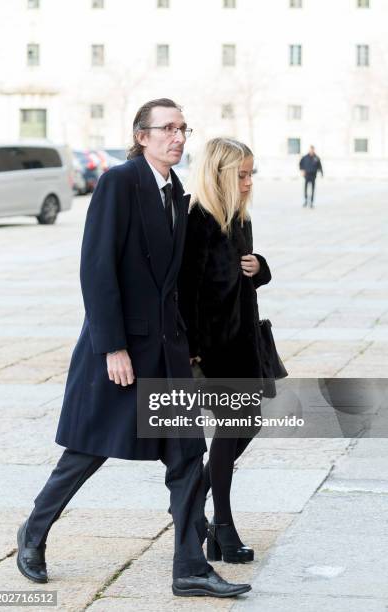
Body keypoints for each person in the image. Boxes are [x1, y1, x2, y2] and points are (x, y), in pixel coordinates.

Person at [16, 100, 251, 599]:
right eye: (167, 129)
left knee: (188, 456)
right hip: (122, 350)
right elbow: (96, 268)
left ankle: (189, 568)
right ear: (141, 136)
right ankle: (33, 532)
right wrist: (113, 348)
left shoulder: (175, 192)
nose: (178, 137)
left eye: (183, 128)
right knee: (88, 450)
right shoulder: (119, 182)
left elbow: (177, 282)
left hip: (167, 352)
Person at [179, 137, 271, 565]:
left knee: (246, 425)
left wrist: (260, 268)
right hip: (214, 348)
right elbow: (188, 290)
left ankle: (193, 507)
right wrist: (195, 349)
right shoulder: (197, 218)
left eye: (251, 173)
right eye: (242, 174)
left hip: (244, 342)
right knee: (231, 429)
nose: (250, 181)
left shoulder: (240, 219)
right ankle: (223, 525)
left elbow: (242, 280)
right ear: (219, 174)